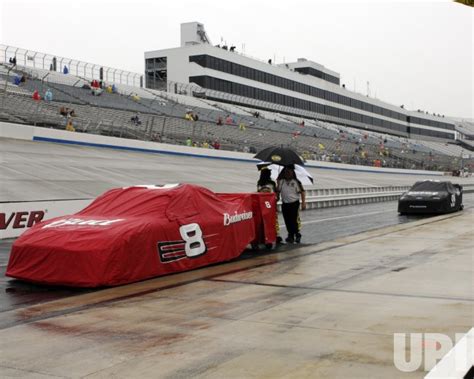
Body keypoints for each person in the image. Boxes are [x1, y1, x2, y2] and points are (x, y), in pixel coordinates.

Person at [277, 166, 306, 244]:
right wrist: (277, 183)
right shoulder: (281, 181)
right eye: (286, 172)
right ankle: (291, 235)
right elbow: (278, 191)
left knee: (293, 220)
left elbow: (302, 192)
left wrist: (303, 203)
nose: (288, 174)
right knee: (287, 220)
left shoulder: (296, 182)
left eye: (289, 172)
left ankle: (297, 234)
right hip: (285, 203)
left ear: (292, 173)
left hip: (294, 203)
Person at [257, 166, 282, 244]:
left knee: (265, 221)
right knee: (274, 220)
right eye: (269, 172)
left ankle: (265, 236)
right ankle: (276, 235)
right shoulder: (272, 183)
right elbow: (276, 195)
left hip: (262, 204)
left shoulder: (259, 183)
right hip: (271, 204)